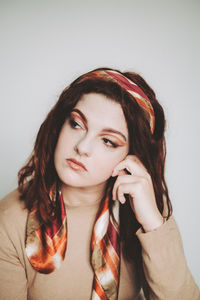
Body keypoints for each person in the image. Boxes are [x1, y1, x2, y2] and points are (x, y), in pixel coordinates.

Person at [0, 68, 199, 300]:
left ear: (132, 156)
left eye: (108, 141)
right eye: (76, 124)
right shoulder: (10, 219)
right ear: (58, 125)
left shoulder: (145, 208)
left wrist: (153, 224)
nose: (82, 147)